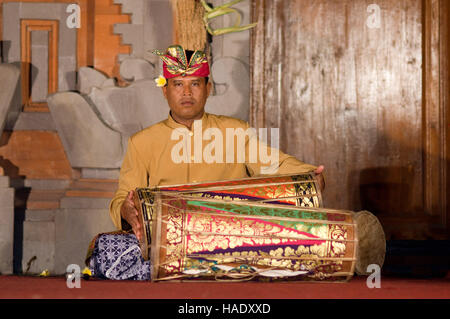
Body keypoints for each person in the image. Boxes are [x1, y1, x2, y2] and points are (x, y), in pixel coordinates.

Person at [109, 44, 325, 242]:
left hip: (228, 235)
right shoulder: (142, 142)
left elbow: (275, 165)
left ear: (208, 88)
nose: (186, 92)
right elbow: (123, 197)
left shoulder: (235, 131)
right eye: (178, 84)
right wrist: (125, 210)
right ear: (165, 91)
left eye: (195, 83)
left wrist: (310, 174)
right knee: (109, 248)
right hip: (166, 239)